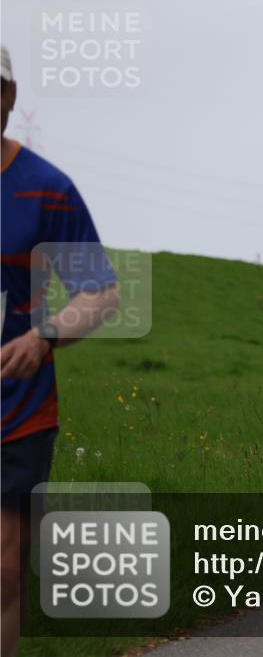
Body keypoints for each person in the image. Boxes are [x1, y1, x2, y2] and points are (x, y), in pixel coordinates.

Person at [1, 45, 120, 657]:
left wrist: (43, 336)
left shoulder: (46, 188)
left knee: (4, 566)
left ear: (9, 96)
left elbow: (101, 292)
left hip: (15, 410)